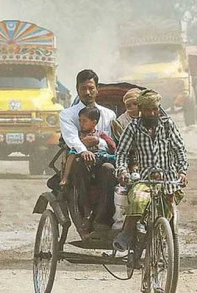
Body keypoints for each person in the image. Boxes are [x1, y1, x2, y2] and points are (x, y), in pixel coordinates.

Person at [113, 89, 188, 252]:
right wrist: (123, 171)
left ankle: (164, 241)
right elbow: (121, 153)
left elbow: (179, 149)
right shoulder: (133, 127)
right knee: (139, 200)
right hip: (144, 179)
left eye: (155, 109)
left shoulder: (168, 124)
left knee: (169, 213)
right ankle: (126, 234)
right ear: (141, 110)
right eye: (148, 110)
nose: (152, 113)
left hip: (168, 181)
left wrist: (182, 172)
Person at [59, 69, 117, 237]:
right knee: (79, 164)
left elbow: (111, 142)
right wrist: (84, 150)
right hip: (79, 159)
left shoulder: (109, 114)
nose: (87, 92)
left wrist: (98, 141)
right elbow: (71, 138)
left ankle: (102, 219)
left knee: (109, 170)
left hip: (102, 159)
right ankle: (86, 212)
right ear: (77, 89)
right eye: (83, 88)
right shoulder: (67, 114)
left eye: (91, 88)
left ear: (97, 89)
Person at [60, 106, 116, 187]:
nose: (81, 124)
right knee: (75, 156)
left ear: (94, 122)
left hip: (100, 158)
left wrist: (98, 142)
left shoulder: (100, 134)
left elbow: (112, 145)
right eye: (80, 120)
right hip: (83, 161)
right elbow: (72, 148)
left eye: (84, 121)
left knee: (109, 167)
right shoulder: (77, 136)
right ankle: (65, 178)